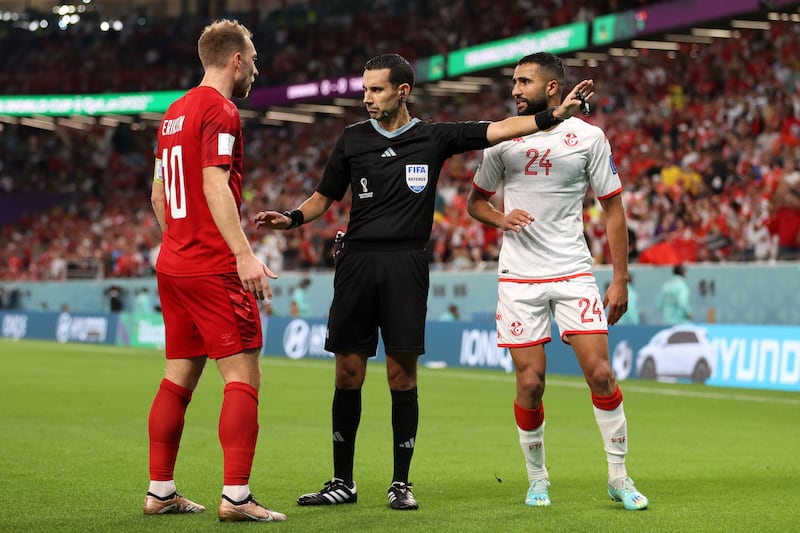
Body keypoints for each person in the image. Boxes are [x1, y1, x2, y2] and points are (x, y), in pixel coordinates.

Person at [254, 53, 593, 511]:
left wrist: (555, 115)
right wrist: (291, 218)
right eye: (365, 89)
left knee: (401, 376)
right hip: (356, 264)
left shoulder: (433, 137)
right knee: (347, 372)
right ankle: (342, 480)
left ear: (402, 91)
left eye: (376, 90)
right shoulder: (352, 140)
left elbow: (498, 130)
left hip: (406, 266)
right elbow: (323, 198)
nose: (367, 98)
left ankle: (400, 482)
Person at [466, 52, 648, 511]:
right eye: (513, 81)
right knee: (530, 384)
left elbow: (613, 208)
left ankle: (619, 477)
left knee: (602, 375)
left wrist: (620, 277)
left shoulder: (588, 137)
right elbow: (476, 203)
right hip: (519, 277)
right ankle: (537, 478)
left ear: (550, 88)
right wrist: (501, 219)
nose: (514, 90)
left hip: (573, 271)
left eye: (523, 81)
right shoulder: (503, 137)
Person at [144, 19, 286, 523]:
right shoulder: (221, 110)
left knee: (178, 375)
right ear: (236, 60)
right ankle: (238, 497)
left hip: (174, 264)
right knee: (242, 375)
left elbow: (159, 194)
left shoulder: (174, 113)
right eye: (253, 57)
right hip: (211, 267)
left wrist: (178, 243)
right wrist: (242, 254)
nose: (256, 66)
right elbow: (213, 183)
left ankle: (160, 490)